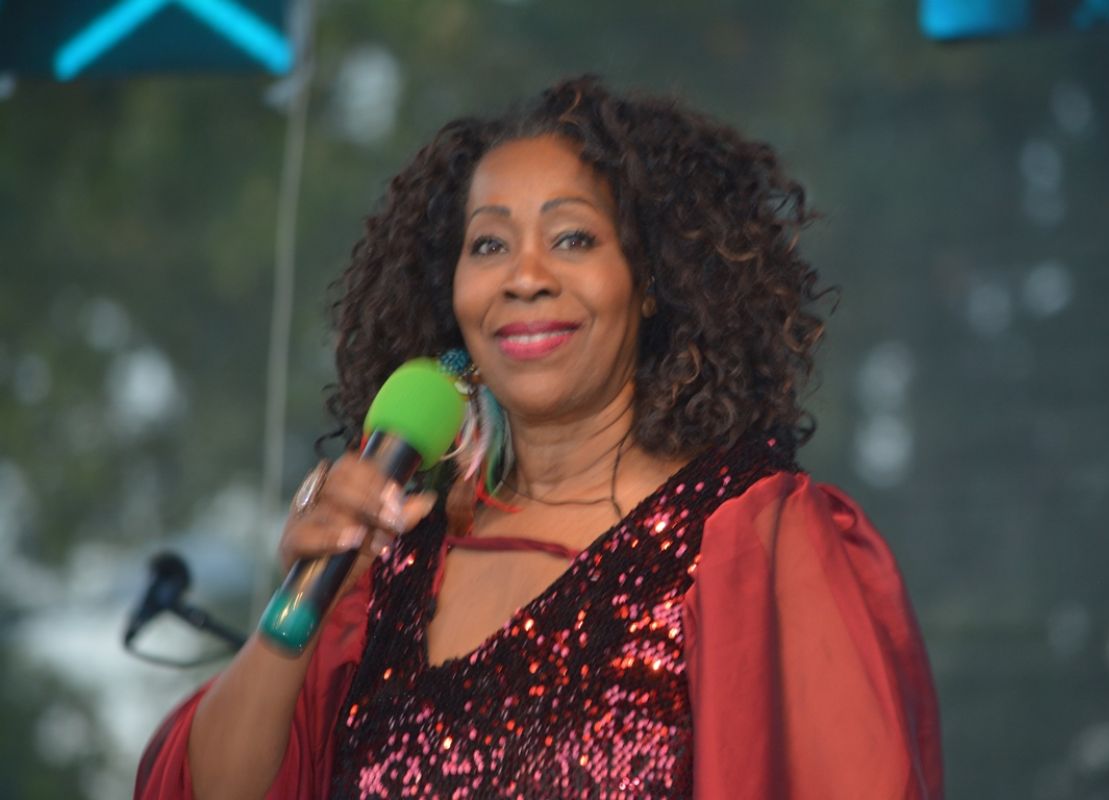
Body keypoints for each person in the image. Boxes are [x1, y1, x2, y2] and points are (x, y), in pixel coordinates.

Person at [136, 75, 943, 799]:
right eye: (489, 244)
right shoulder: (396, 563)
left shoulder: (754, 542)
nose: (524, 277)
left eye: (573, 239)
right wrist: (299, 607)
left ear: (651, 282)